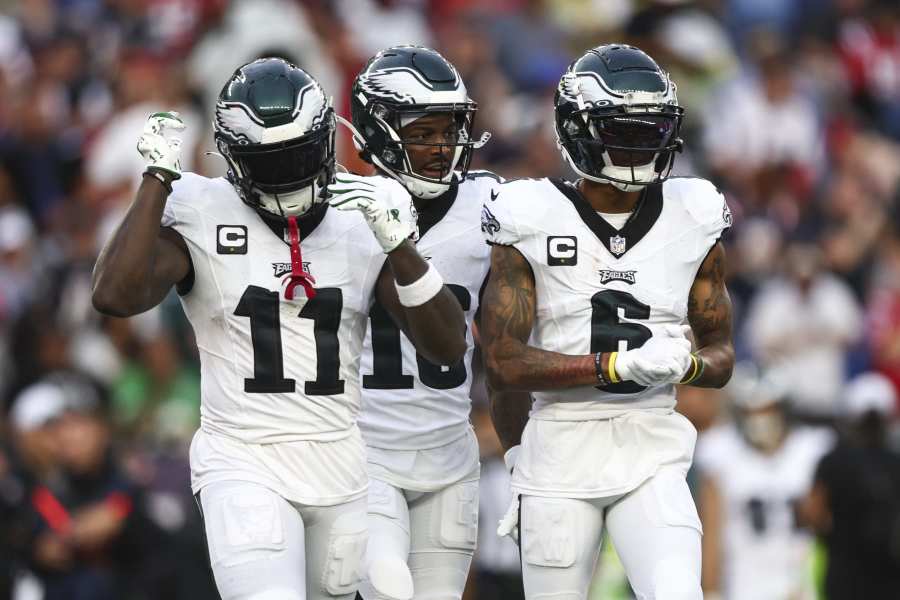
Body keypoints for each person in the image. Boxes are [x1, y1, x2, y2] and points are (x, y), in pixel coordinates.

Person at [91, 57, 467, 600]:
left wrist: (399, 247)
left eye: (300, 154)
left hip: (341, 461)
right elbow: (113, 296)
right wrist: (155, 181)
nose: (289, 174)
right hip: (243, 456)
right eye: (270, 161)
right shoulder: (200, 206)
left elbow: (448, 347)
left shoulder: (361, 211)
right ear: (234, 158)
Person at [479, 44, 735, 600]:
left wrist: (685, 365)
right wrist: (616, 366)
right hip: (559, 449)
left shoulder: (694, 212)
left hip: (652, 446)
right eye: (625, 130)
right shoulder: (530, 213)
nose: (643, 145)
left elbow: (721, 357)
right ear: (579, 131)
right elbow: (501, 360)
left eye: (652, 130)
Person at [343, 45, 529, 600]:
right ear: (377, 131)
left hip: (450, 453)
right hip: (360, 449)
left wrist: (520, 459)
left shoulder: (490, 206)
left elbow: (504, 353)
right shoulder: (335, 209)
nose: (440, 148)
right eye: (422, 133)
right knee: (386, 589)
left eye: (448, 132)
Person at [695, 365, 832, 600]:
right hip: (745, 584)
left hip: (803, 579)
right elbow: (711, 533)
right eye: (751, 412)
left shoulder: (813, 449)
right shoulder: (720, 452)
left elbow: (828, 522)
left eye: (767, 410)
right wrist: (710, 591)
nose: (760, 420)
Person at [801, 371, 900, 600]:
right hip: (889, 578)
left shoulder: (832, 461)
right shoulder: (896, 463)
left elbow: (814, 516)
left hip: (842, 575)